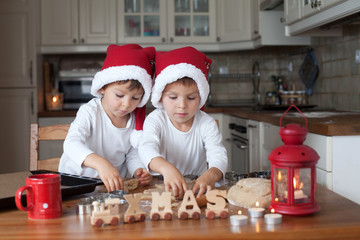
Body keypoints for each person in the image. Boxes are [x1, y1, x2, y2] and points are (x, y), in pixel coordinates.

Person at [58, 44, 154, 192]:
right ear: (102, 87)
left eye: (135, 98)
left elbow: (132, 154)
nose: (127, 104)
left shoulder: (136, 122)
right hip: (73, 184)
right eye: (119, 95)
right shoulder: (90, 112)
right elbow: (71, 144)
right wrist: (101, 164)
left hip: (107, 190)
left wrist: (138, 170)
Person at [138, 47, 228, 199]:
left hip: (196, 190)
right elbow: (146, 148)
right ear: (160, 97)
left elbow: (218, 154)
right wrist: (167, 169)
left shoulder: (206, 123)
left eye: (191, 98)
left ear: (201, 98)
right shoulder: (155, 120)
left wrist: (211, 175)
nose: (182, 105)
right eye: (173, 97)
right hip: (162, 189)